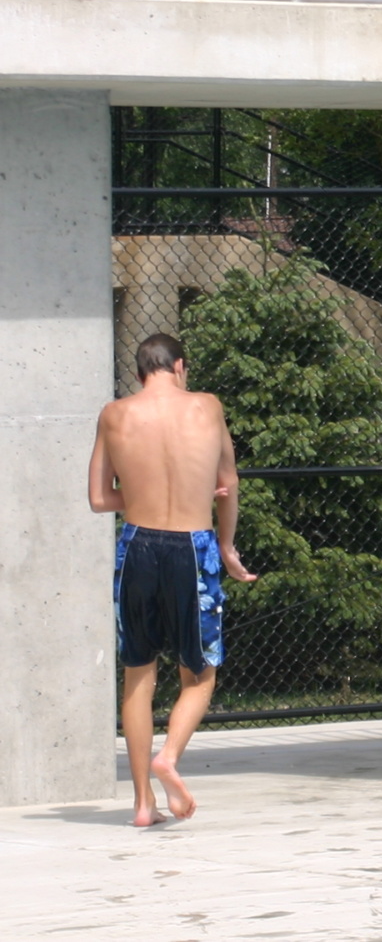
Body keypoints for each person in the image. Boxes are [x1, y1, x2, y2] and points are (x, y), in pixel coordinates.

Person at [88, 333, 256, 828]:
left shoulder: (114, 414)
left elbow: (99, 499)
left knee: (139, 673)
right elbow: (230, 483)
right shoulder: (207, 406)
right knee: (200, 673)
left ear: (141, 372)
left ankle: (142, 804)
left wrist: (138, 493)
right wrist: (225, 546)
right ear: (179, 367)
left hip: (137, 546)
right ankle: (169, 757)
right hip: (193, 544)